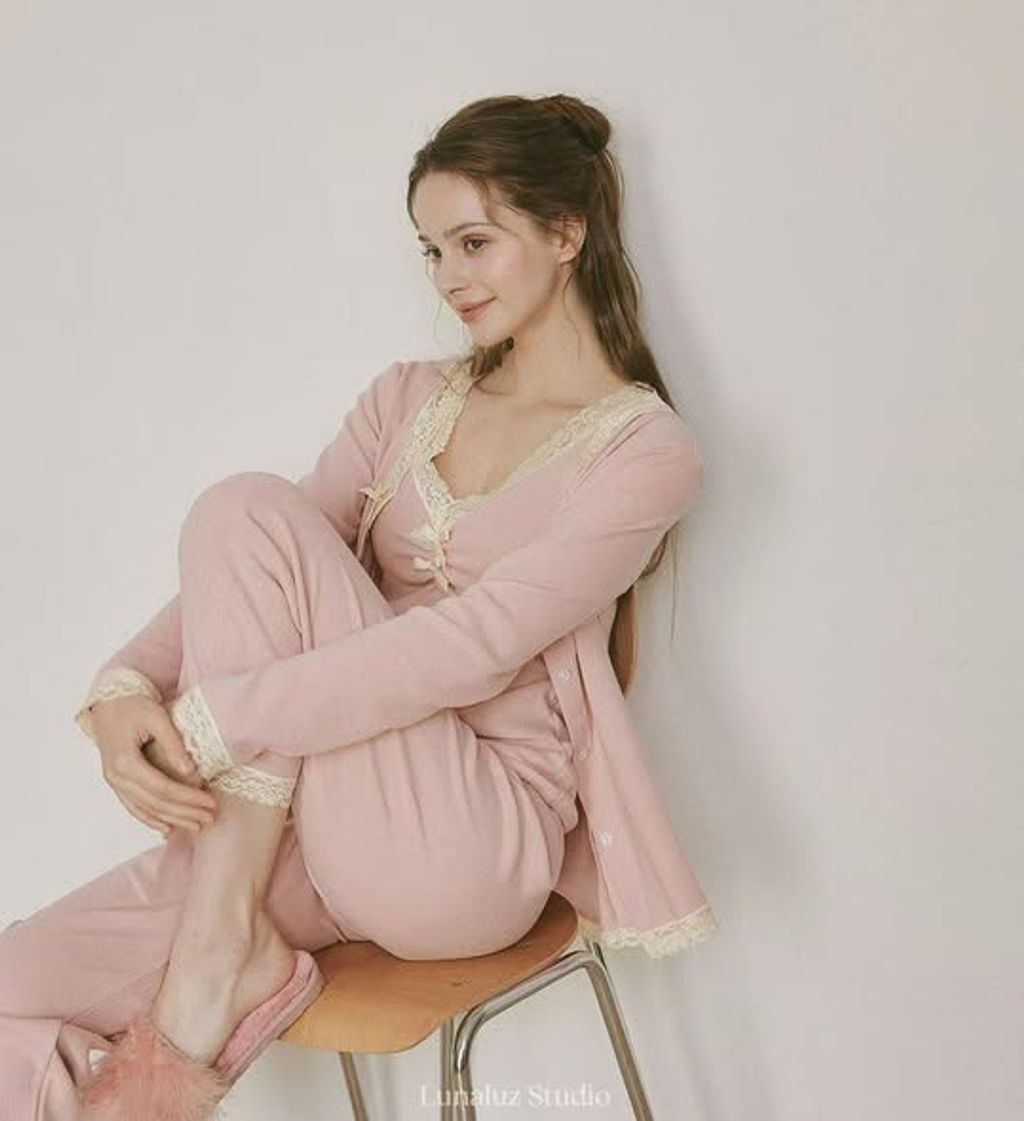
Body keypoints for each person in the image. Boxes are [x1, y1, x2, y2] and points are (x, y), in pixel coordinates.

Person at [0, 92, 717, 1118]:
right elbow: (253, 560)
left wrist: (219, 715)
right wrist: (123, 687)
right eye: (432, 250)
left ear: (567, 233)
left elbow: (476, 644)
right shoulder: (407, 399)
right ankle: (213, 962)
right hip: (306, 827)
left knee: (245, 504)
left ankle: (217, 952)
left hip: (463, 847)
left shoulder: (645, 450)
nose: (449, 277)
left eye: (474, 241)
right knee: (15, 986)